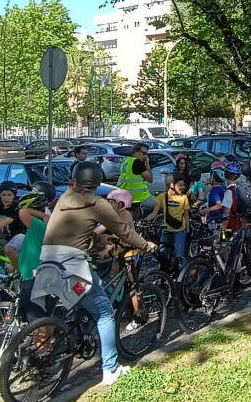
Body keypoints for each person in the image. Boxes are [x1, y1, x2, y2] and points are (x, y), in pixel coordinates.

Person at [40, 161, 157, 386]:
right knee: (104, 312)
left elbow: (77, 230)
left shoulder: (65, 198)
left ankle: (62, 345)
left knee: (73, 305)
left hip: (47, 258)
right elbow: (124, 231)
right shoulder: (96, 202)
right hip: (72, 263)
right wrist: (145, 245)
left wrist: (94, 242)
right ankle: (111, 369)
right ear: (96, 182)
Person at [14, 182, 53, 321]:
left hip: (33, 277)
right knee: (44, 316)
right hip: (38, 274)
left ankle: (42, 342)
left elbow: (22, 212)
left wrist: (42, 216)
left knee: (37, 320)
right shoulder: (46, 224)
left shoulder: (39, 226)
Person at [144, 172, 192, 266]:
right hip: (166, 230)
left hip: (180, 231)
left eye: (184, 185)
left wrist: (187, 228)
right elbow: (154, 213)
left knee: (180, 255)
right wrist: (145, 220)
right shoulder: (162, 197)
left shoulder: (183, 198)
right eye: (180, 185)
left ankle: (183, 275)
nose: (183, 187)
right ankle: (163, 274)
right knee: (162, 254)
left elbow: (186, 215)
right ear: (172, 185)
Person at [116, 143, 153, 210]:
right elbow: (150, 179)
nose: (145, 156)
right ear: (136, 152)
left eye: (146, 154)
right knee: (158, 204)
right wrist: (147, 164)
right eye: (144, 153)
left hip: (125, 197)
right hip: (138, 198)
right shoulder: (137, 162)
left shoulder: (126, 161)